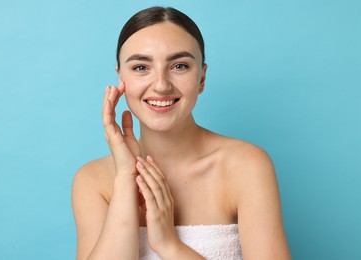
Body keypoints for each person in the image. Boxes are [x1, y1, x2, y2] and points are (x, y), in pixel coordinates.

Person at [72, 6, 291, 260]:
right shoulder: (92, 181)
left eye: (179, 66)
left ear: (201, 78)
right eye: (141, 68)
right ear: (121, 77)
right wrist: (125, 179)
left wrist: (169, 245)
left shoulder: (246, 166)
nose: (162, 85)